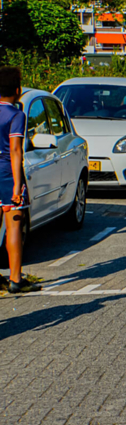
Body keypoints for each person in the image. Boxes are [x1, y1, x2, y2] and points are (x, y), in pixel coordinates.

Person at [0, 67, 37, 294]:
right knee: (14, 225)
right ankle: (16, 279)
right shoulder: (16, 115)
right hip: (6, 173)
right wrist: (16, 185)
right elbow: (15, 150)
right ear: (17, 89)